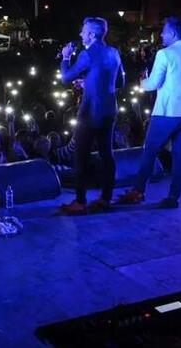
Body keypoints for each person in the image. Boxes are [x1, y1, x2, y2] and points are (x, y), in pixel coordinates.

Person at [117, 17, 181, 208]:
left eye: (164, 31)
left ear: (173, 33)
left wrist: (142, 82)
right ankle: (173, 198)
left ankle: (137, 192)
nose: (161, 35)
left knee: (149, 152)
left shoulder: (165, 54)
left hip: (168, 111)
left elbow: (153, 84)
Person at [59, 17, 125, 215]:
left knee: (81, 157)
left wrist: (65, 57)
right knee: (107, 155)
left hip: (90, 112)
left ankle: (80, 202)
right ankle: (106, 198)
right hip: (109, 110)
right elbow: (120, 82)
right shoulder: (114, 52)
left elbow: (65, 78)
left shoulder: (87, 55)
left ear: (92, 34)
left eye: (83, 31)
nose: (80, 34)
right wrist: (90, 82)